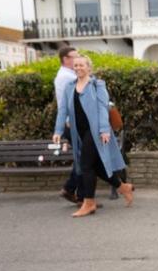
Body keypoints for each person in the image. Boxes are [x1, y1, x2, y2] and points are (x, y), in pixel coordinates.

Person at [53, 54, 133, 217]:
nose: (78, 68)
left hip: (96, 131)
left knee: (85, 165)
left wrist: (104, 130)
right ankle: (123, 187)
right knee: (96, 167)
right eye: (75, 66)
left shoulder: (97, 85)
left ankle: (88, 202)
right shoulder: (69, 86)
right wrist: (58, 131)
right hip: (79, 133)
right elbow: (63, 110)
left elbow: (103, 108)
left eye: (81, 65)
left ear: (89, 67)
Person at [54, 45, 83, 205]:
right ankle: (80, 196)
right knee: (83, 160)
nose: (78, 60)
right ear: (66, 59)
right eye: (75, 57)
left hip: (71, 123)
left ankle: (71, 190)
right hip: (72, 124)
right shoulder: (66, 77)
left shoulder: (66, 74)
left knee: (82, 158)